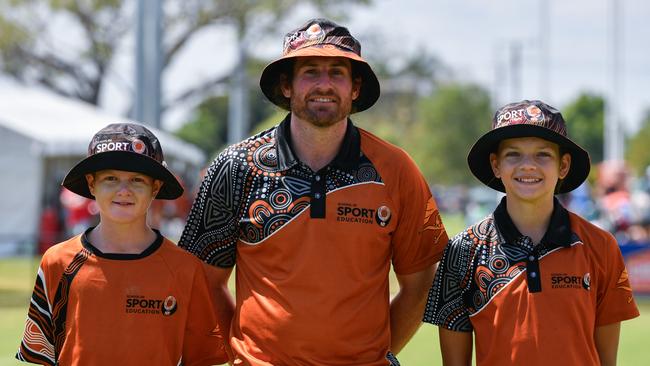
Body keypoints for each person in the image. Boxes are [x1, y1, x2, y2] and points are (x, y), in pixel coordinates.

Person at [178, 18, 449, 365]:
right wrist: (243, 351)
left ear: (355, 88)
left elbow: (421, 284)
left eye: (337, 72)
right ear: (287, 85)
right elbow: (202, 283)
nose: (324, 84)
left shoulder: (396, 169)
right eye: (310, 72)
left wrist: (376, 354)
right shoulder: (237, 166)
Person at [422, 100, 640, 366]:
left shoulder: (601, 245)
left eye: (543, 155)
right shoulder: (463, 250)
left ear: (563, 165)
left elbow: (607, 360)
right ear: (495, 165)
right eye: (513, 154)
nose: (528, 165)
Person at [17, 123, 227, 366]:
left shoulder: (185, 268)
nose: (124, 190)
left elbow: (202, 358)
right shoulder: (57, 261)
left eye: (137, 179)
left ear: (155, 188)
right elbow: (43, 355)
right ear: (91, 184)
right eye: (111, 178)